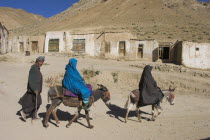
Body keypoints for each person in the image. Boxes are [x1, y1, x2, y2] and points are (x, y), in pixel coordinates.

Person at [19, 56, 45, 121]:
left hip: (35, 90)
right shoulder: (34, 68)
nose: (41, 63)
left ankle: (33, 116)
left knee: (34, 102)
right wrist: (34, 89)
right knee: (38, 102)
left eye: (42, 62)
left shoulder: (36, 68)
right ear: (37, 61)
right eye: (40, 62)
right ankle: (24, 112)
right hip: (34, 90)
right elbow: (31, 80)